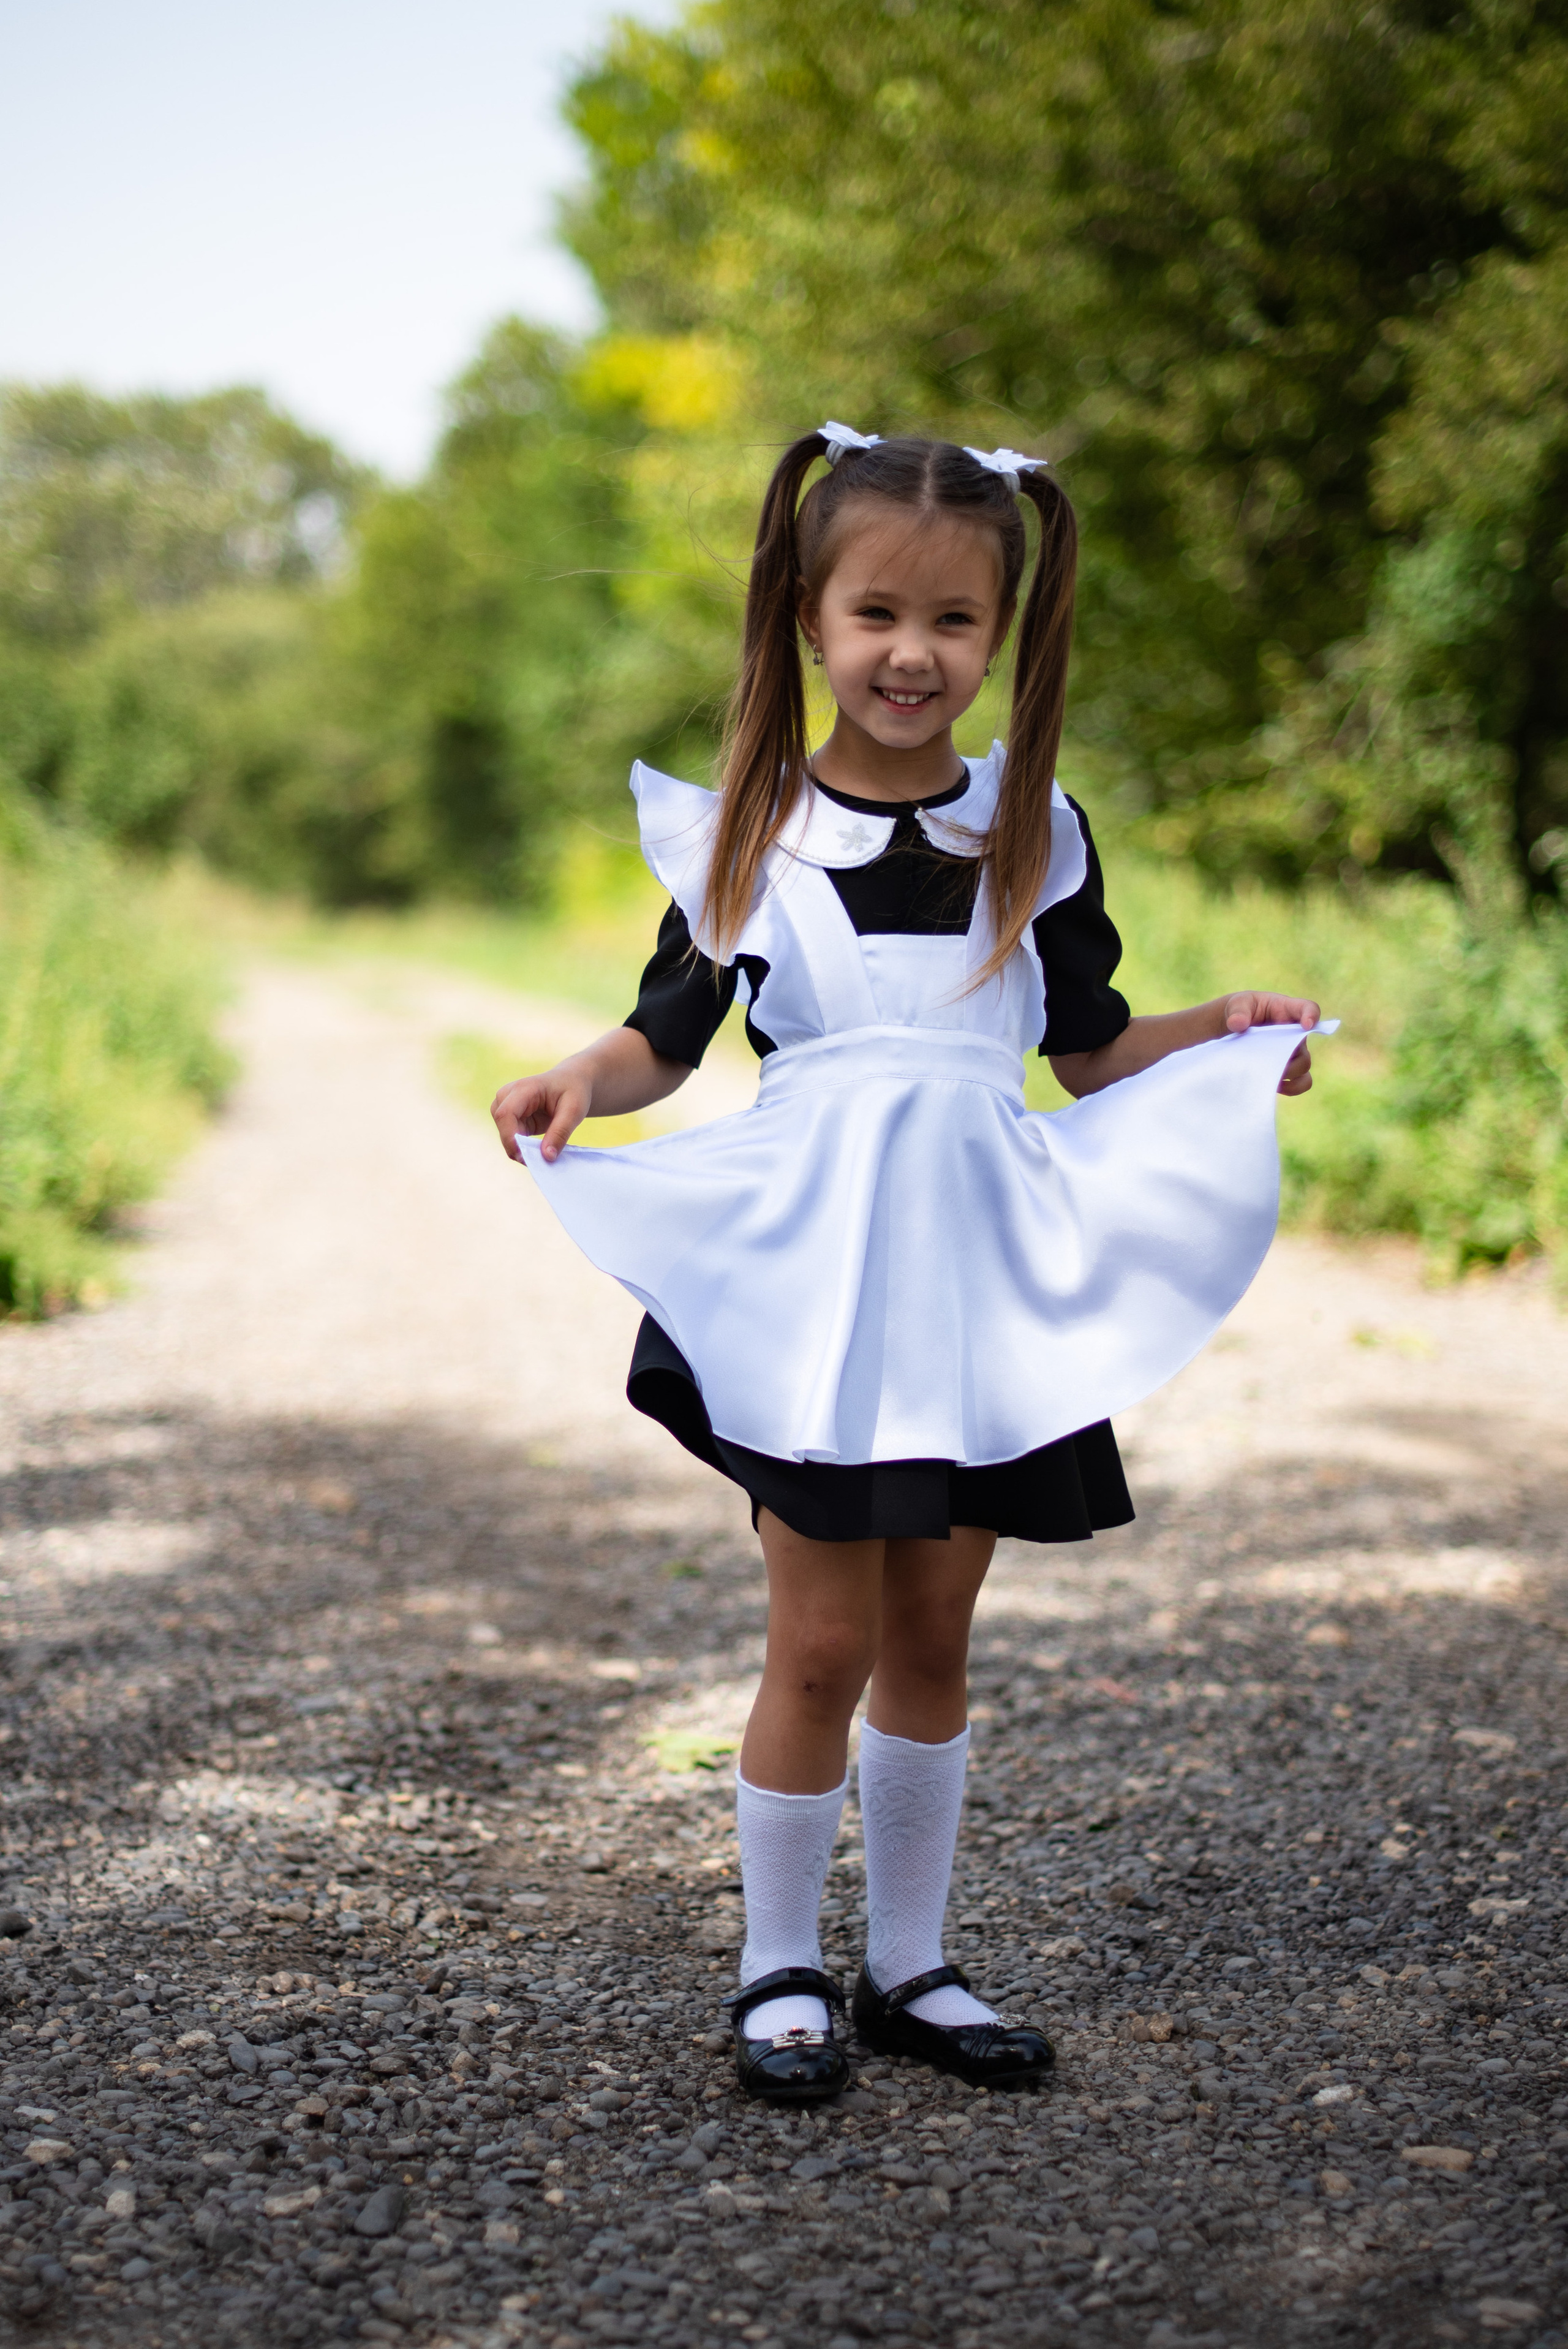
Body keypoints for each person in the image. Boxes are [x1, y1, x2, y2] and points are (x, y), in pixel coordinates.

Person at [492, 425, 1324, 2103]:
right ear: (809, 615)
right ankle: (778, 1962)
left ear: (1001, 634)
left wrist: (1223, 1038)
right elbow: (671, 1035)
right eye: (877, 612)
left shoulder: (1038, 823)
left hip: (977, 1279)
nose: (912, 653)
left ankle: (911, 1962)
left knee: (935, 1632)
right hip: (818, 1286)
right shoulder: (750, 829)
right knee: (819, 1640)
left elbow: (1087, 1046)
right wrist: (584, 1077)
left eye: (955, 621)